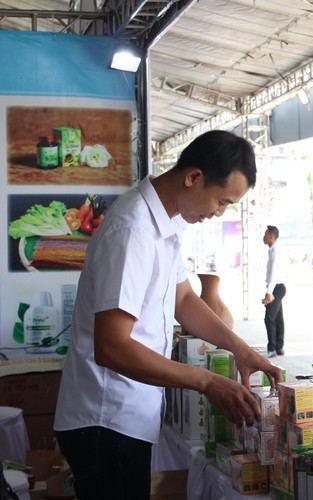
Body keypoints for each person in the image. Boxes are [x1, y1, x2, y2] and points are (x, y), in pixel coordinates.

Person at [53, 130, 284, 499]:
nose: (218, 213)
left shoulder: (165, 224)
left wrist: (242, 350)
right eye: (221, 201)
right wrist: (206, 381)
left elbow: (185, 300)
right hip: (104, 421)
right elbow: (111, 347)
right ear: (193, 177)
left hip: (124, 418)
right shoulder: (133, 231)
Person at [263, 225, 287, 358]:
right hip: (277, 287)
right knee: (278, 318)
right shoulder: (273, 251)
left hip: (276, 288)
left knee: (269, 318)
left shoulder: (275, 251)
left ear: (271, 237)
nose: (264, 237)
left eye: (266, 234)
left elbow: (273, 273)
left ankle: (272, 348)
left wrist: (269, 292)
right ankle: (279, 347)